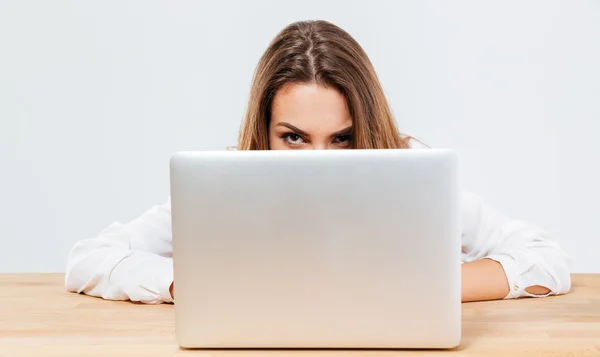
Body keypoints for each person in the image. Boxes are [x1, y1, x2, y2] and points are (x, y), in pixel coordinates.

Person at [65, 20, 571, 304]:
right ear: (264, 131)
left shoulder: (408, 172)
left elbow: (546, 259)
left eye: (343, 139)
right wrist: (188, 283)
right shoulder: (226, 183)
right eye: (294, 137)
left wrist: (421, 286)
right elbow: (89, 257)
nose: (320, 161)